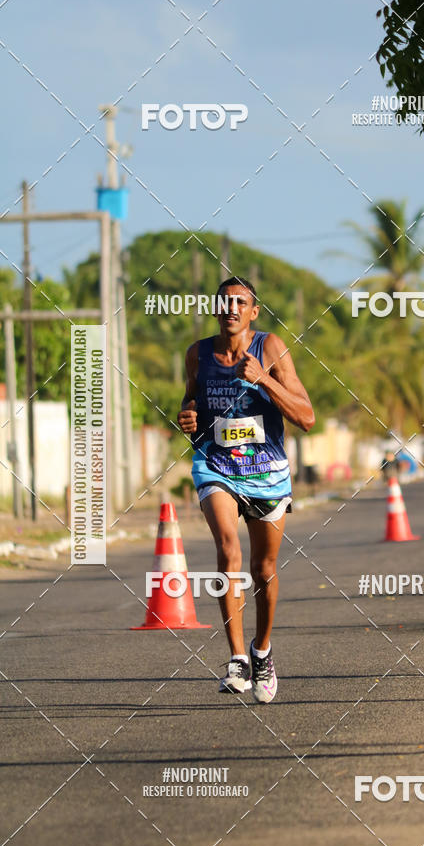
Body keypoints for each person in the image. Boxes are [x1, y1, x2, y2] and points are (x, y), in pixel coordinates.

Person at [177, 276, 315, 703]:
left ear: (253, 312)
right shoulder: (198, 354)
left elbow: (307, 416)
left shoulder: (271, 348)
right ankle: (236, 657)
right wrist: (188, 415)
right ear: (216, 309)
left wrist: (264, 380)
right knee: (227, 550)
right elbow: (190, 401)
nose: (232, 308)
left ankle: (262, 650)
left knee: (264, 569)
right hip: (215, 464)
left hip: (266, 469)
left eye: (241, 302)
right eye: (225, 301)